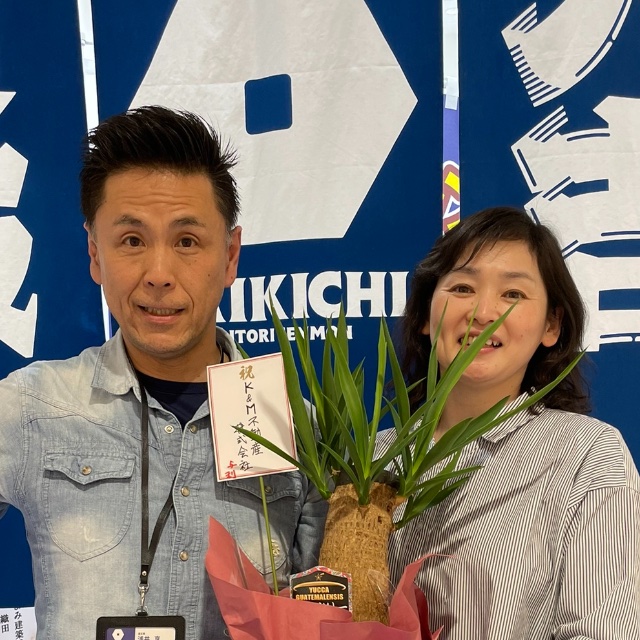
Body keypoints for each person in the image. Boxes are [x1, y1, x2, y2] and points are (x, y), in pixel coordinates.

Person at [0, 106, 326, 640]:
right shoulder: (32, 406)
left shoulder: (293, 424)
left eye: (186, 241)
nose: (158, 274)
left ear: (230, 256)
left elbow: (327, 608)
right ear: (95, 254)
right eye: (132, 240)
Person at [377, 206, 640, 639]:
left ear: (551, 324)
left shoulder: (588, 456)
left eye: (512, 294)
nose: (483, 312)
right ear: (425, 316)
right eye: (462, 287)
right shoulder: (371, 458)